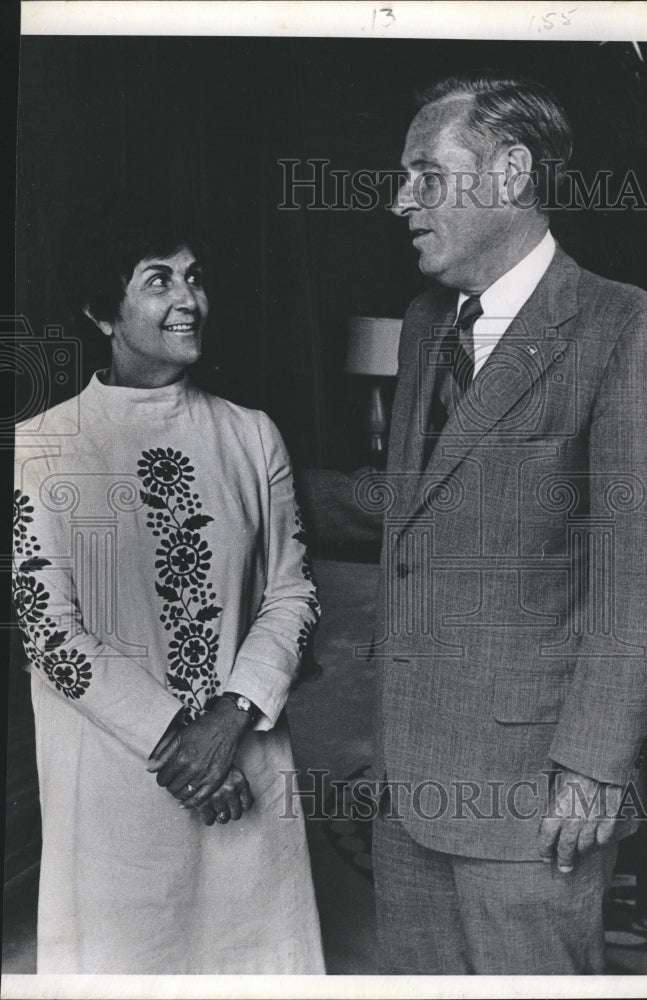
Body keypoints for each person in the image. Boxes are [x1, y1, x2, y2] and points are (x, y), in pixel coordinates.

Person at [369, 72, 647, 974]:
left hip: (537, 794)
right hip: (410, 781)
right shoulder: (424, 323)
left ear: (510, 172)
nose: (401, 199)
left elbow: (644, 581)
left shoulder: (626, 328)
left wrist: (594, 767)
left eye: (425, 174)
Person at [12, 192, 325, 974]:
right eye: (158, 280)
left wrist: (230, 718)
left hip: (244, 757)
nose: (189, 299)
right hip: (116, 781)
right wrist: (179, 744)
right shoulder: (39, 449)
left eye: (194, 277)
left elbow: (293, 590)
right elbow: (51, 635)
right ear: (101, 310)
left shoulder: (252, 434)